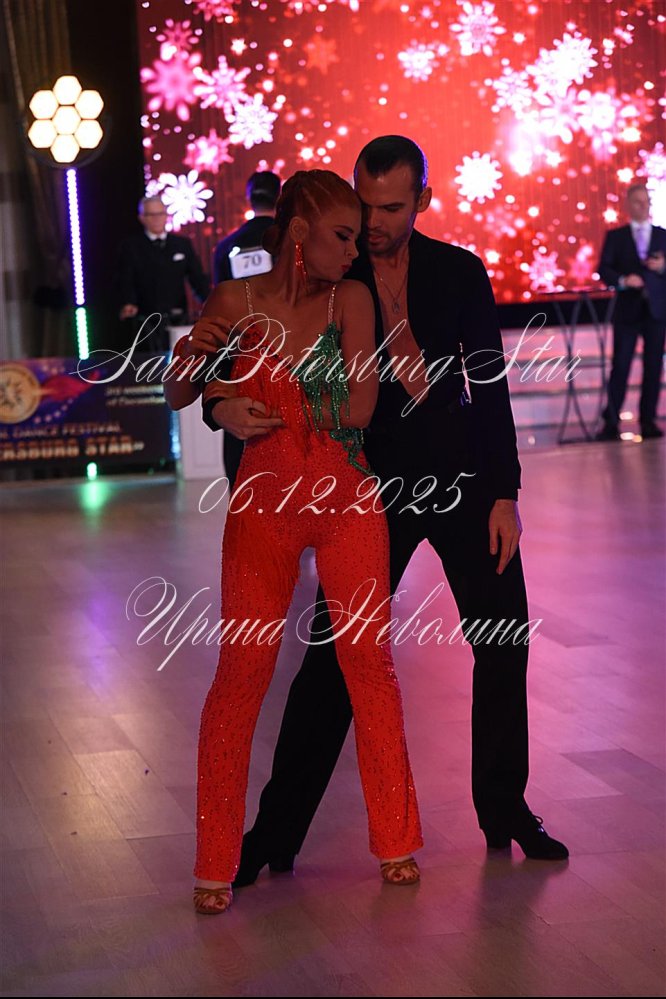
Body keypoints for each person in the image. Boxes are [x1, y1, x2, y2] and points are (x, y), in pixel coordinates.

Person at [199, 135, 569, 884]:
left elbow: (488, 385)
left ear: (423, 201)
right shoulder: (335, 270)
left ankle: (505, 808)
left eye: (391, 207)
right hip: (369, 490)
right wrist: (221, 412)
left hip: (464, 482)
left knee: (504, 638)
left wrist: (505, 492)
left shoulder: (459, 271)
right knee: (332, 664)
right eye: (364, 205)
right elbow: (245, 365)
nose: (372, 222)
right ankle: (274, 833)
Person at [190, 169, 423, 916]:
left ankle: (395, 838)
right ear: (299, 232)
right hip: (264, 503)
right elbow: (180, 387)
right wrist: (215, 399)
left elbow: (360, 406)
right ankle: (214, 860)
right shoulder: (233, 301)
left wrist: (252, 398)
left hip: (347, 497)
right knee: (241, 672)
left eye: (358, 237)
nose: (355, 251)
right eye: (343, 236)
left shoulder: (349, 299)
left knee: (369, 663)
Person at [596, 183, 666, 441]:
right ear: (628, 205)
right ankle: (611, 421)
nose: (644, 206)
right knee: (621, 365)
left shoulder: (662, 235)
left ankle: (648, 420)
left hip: (656, 310)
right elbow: (604, 269)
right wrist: (624, 280)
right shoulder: (617, 236)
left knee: (653, 366)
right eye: (638, 201)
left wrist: (662, 266)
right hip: (627, 311)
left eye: (647, 201)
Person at [117, 196, 210, 350]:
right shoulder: (131, 246)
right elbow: (125, 278)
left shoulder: (182, 244)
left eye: (160, 214)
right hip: (145, 320)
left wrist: (208, 300)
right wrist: (128, 302)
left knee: (179, 356)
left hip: (178, 317)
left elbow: (197, 277)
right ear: (142, 218)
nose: (156, 219)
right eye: (151, 214)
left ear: (166, 215)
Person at [212, 171, 281, 284]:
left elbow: (220, 292)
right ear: (279, 197)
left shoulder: (224, 248)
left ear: (248, 198)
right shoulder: (293, 240)